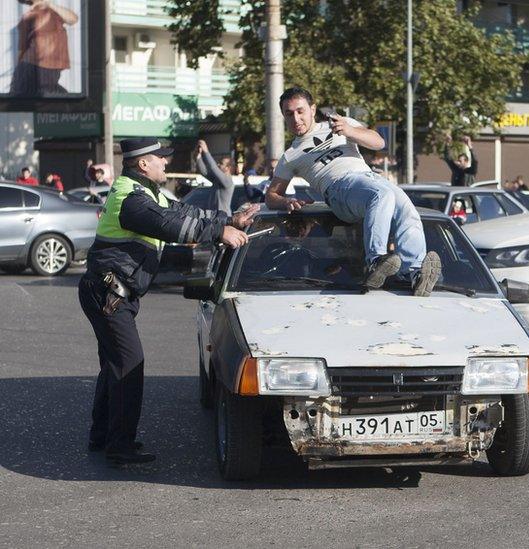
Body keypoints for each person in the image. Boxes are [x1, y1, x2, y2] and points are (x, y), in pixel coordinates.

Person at [78, 137, 256, 464]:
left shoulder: (147, 192)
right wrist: (219, 234)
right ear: (143, 163)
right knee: (129, 363)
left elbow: (184, 211)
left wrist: (230, 221)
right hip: (108, 294)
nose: (165, 162)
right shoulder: (130, 198)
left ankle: (102, 437)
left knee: (115, 364)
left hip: (113, 294)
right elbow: (168, 224)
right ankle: (120, 446)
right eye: (160, 158)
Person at [266, 87, 441, 296]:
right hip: (338, 189)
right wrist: (285, 202)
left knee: (407, 211)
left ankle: (415, 272)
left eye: (300, 111)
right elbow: (271, 196)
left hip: (371, 179)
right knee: (381, 196)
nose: (296, 118)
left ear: (312, 109)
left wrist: (349, 131)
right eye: (289, 113)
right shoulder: (291, 155)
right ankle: (375, 261)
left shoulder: (341, 124)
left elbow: (379, 142)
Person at [10, 0, 79, 96]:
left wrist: (50, 4)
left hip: (48, 65)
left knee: (47, 94)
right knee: (26, 97)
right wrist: (19, 70)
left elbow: (73, 19)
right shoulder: (27, 17)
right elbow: (22, 47)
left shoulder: (53, 11)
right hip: (34, 64)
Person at [195, 140, 235, 216]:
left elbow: (213, 168)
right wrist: (198, 157)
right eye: (219, 163)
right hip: (214, 217)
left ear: (228, 168)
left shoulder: (228, 181)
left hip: (223, 218)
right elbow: (204, 172)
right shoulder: (218, 180)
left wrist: (206, 151)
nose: (219, 165)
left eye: (222, 164)